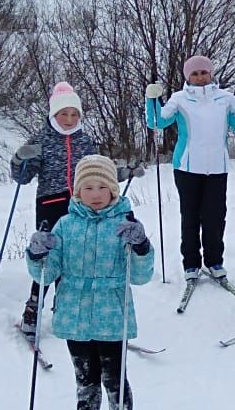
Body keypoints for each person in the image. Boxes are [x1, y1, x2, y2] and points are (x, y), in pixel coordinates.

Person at [24, 155, 154, 410]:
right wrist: (37, 253)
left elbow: (141, 276)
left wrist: (140, 245)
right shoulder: (65, 225)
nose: (95, 193)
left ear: (113, 189)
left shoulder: (125, 223)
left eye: (102, 187)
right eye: (87, 187)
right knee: (85, 380)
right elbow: (46, 273)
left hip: (112, 317)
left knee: (114, 382)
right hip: (74, 315)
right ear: (76, 191)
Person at [11, 82, 139, 336]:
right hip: (50, 202)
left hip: (81, 205)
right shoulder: (41, 139)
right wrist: (20, 160)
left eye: (74, 114)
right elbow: (22, 178)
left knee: (74, 256)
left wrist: (122, 173)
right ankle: (33, 307)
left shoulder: (84, 140)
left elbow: (98, 172)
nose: (69, 119)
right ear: (53, 115)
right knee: (48, 255)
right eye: (63, 114)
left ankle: (65, 306)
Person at [145, 55, 235, 281]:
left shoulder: (224, 99)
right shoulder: (179, 99)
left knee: (215, 218)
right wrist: (152, 99)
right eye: (194, 74)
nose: (200, 77)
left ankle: (214, 261)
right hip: (186, 167)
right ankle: (191, 264)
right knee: (190, 217)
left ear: (211, 74)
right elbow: (157, 122)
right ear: (188, 77)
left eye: (204, 72)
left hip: (217, 167)